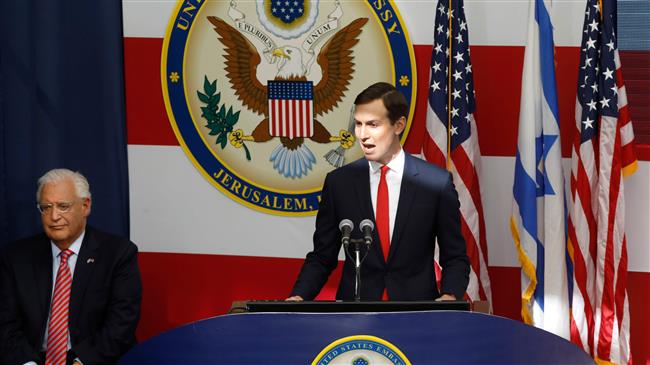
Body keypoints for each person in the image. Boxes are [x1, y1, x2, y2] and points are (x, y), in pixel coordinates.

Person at [288, 82, 469, 301]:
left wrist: (449, 296)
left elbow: (455, 256)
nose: (362, 135)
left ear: (398, 125)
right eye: (358, 124)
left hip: (415, 314)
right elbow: (322, 256)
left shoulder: (435, 183)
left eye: (373, 125)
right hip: (356, 316)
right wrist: (298, 297)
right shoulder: (339, 183)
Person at [0, 169, 142, 365]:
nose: (54, 216)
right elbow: (5, 324)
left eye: (63, 206)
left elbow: (121, 325)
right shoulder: (16, 257)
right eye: (46, 207)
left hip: (91, 360)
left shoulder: (118, 253)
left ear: (85, 206)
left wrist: (82, 362)